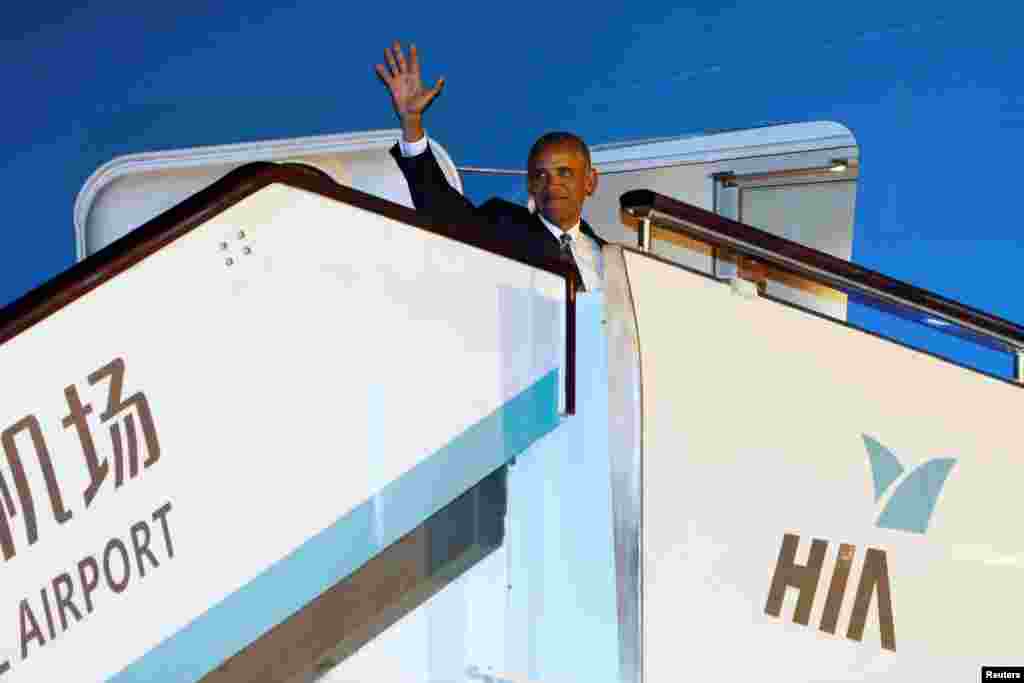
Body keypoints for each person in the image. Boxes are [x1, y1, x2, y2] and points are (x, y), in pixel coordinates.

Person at [375, 41, 606, 292]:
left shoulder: (612, 259)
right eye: (540, 175)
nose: (552, 184)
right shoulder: (503, 228)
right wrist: (412, 121)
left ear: (590, 181)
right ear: (529, 185)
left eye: (565, 172)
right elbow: (441, 206)